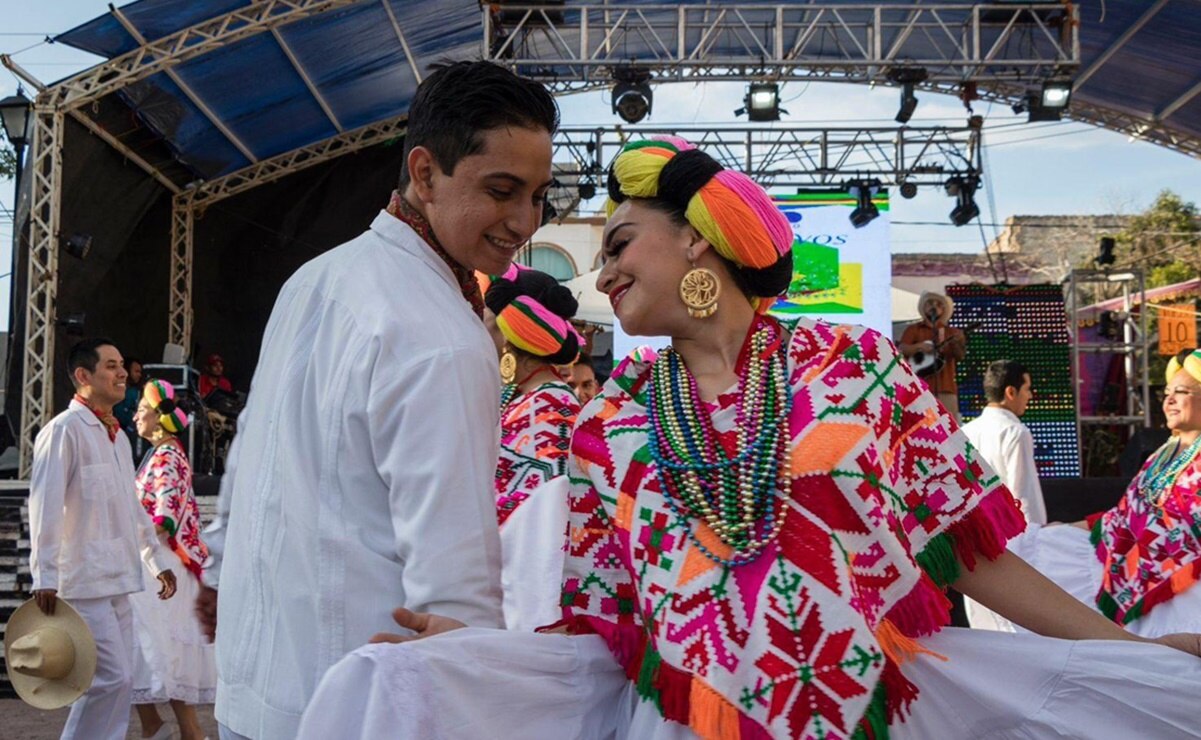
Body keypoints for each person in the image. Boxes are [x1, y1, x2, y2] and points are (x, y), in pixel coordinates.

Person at [298, 138, 1201, 740]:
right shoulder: (606, 424)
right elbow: (595, 637)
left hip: (865, 715)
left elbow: (969, 555)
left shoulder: (855, 367)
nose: (602, 271)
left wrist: (1122, 653)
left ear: (696, 243)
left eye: (618, 244)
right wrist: (461, 659)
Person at [198, 60, 558, 739]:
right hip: (356, 706)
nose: (522, 222)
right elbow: (457, 571)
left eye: (538, 196)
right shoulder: (441, 335)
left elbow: (249, 459)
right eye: (501, 190)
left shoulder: (313, 278)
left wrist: (219, 573)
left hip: (257, 690)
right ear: (424, 173)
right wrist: (468, 688)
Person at [982, 347, 1201, 639]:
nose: (1170, 400)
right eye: (1167, 393)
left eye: (1182, 392)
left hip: (1182, 585)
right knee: (1030, 554)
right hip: (1137, 570)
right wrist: (1075, 526)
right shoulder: (1162, 454)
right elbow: (1128, 513)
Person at [28, 338, 177, 740]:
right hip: (82, 581)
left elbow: (132, 509)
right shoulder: (64, 431)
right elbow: (44, 503)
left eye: (120, 366)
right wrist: (44, 574)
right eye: (110, 366)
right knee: (109, 680)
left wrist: (154, 560)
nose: (122, 373)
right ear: (83, 376)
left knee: (122, 680)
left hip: (118, 577)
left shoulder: (120, 438)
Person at [487, 268, 583, 630]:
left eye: (490, 324)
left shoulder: (548, 412)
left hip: (531, 610)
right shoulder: (528, 402)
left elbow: (544, 534)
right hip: (510, 598)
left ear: (510, 337)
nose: (484, 334)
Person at [129, 379, 216, 740]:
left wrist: (128, 539)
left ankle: (177, 730)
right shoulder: (165, 453)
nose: (135, 417)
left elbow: (163, 519)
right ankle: (164, 727)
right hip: (159, 561)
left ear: (159, 419)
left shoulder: (166, 457)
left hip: (162, 564)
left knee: (147, 645)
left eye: (142, 411)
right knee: (150, 648)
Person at [961, 360, 1047, 525]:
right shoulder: (1015, 432)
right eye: (1027, 389)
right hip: (1009, 535)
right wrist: (1036, 535)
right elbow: (1023, 494)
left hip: (975, 531)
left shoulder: (966, 431)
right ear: (1011, 392)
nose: (1030, 396)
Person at [899, 291, 965, 422]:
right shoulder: (914, 329)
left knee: (948, 427)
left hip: (946, 387)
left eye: (938, 304)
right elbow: (901, 349)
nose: (933, 306)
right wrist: (920, 346)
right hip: (918, 387)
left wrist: (958, 342)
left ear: (943, 310)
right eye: (930, 303)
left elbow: (960, 356)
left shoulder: (951, 332)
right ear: (923, 308)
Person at [113, 356, 144, 433]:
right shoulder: (115, 391)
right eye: (136, 371)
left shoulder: (138, 391)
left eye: (140, 372)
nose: (139, 375)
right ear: (126, 371)